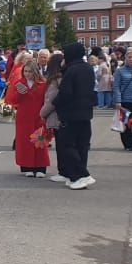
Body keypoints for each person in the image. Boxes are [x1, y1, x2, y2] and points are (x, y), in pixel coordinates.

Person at [53, 42, 96, 189]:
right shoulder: (88, 69)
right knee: (82, 145)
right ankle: (76, 176)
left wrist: (55, 102)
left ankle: (82, 174)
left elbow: (66, 93)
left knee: (67, 145)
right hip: (86, 112)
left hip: (71, 113)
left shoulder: (71, 71)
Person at [7, 58, 50, 177]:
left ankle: (41, 167)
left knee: (40, 141)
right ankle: (27, 167)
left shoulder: (42, 84)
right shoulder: (19, 83)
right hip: (24, 117)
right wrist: (18, 93)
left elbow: (46, 100)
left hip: (39, 116)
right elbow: (12, 100)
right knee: (25, 142)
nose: (27, 74)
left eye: (30, 71)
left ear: (35, 72)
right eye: (25, 71)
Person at [38, 53, 65, 180]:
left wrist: (42, 113)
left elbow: (52, 99)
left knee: (62, 145)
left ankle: (63, 171)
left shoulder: (55, 79)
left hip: (56, 115)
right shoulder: (62, 77)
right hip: (61, 115)